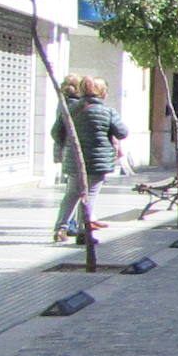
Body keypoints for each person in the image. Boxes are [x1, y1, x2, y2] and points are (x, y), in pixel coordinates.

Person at [51, 76, 127, 243]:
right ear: (102, 93)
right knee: (90, 194)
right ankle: (84, 232)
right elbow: (122, 132)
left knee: (71, 194)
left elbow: (56, 133)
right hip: (97, 161)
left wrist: (70, 142)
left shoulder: (69, 109)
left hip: (74, 159)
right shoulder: (108, 112)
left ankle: (60, 229)